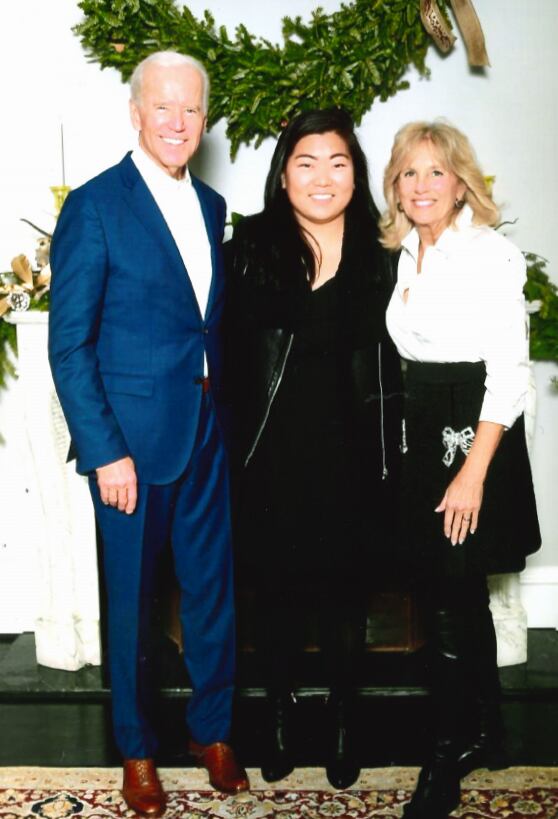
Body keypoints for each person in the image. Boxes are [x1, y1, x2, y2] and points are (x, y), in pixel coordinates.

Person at [48, 51, 249, 817]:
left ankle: (212, 730)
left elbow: (202, 324)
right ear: (136, 113)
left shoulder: (212, 205)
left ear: (204, 120)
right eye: (163, 106)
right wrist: (105, 451)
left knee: (212, 592)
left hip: (205, 433)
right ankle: (136, 747)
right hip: (128, 448)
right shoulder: (95, 206)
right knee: (132, 605)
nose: (177, 120)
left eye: (191, 108)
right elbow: (69, 345)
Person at [226, 108, 402, 789]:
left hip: (354, 459)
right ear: (283, 175)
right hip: (268, 455)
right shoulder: (248, 247)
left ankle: (343, 717)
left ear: (356, 176)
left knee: (344, 597)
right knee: (273, 593)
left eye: (337, 162)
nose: (322, 177)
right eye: (306, 162)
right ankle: (277, 712)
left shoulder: (385, 255)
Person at [381, 120, 541, 819]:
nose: (422, 185)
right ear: (395, 186)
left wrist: (473, 471)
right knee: (454, 590)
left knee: (450, 599)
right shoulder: (406, 250)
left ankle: (445, 754)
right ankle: (488, 731)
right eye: (409, 173)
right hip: (424, 433)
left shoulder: (490, 254)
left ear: (459, 183)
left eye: (436, 172)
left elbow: (508, 372)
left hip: (474, 434)